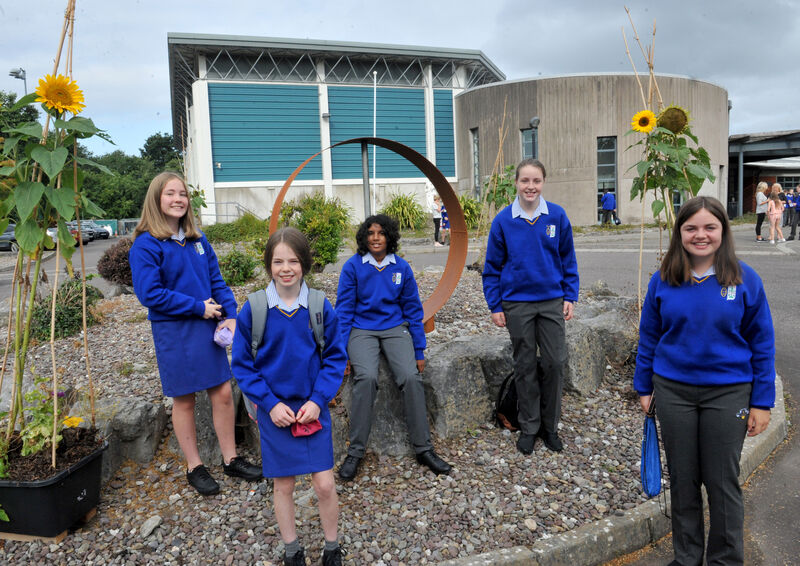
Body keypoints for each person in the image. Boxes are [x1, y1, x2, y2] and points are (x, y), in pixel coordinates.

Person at [634, 196, 775, 566]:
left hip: (728, 394)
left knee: (721, 482)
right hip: (673, 392)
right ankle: (687, 558)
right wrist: (644, 388)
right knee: (683, 480)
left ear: (722, 232)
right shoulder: (663, 281)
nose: (701, 235)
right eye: (691, 228)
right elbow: (648, 337)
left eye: (710, 227)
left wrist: (763, 402)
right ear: (680, 233)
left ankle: (726, 559)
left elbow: (762, 344)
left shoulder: (745, 280)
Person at [129, 172, 261, 496]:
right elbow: (150, 294)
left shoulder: (198, 240)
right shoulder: (146, 245)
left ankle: (231, 459)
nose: (178, 199)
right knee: (184, 400)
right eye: (170, 193)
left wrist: (230, 316)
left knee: (223, 393)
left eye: (183, 194)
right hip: (174, 332)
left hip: (206, 326)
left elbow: (217, 282)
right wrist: (197, 307)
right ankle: (194, 465)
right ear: (156, 200)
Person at [231, 227, 347, 566]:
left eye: (293, 261)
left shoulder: (319, 305)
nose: (286, 268)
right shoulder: (253, 309)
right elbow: (243, 366)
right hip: (275, 412)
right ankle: (292, 549)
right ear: (269, 265)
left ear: (305, 264)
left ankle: (331, 546)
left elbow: (335, 358)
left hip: (313, 408)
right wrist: (270, 405)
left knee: (325, 484)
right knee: (283, 486)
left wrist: (318, 400)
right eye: (278, 261)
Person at [335, 214, 452, 481]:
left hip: (394, 328)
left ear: (390, 237)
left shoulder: (401, 268)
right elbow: (343, 312)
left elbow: (413, 310)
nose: (376, 238)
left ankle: (423, 448)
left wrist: (419, 350)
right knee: (366, 378)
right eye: (371, 233)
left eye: (381, 233)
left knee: (411, 377)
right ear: (364, 237)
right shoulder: (353, 267)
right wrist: (341, 353)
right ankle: (356, 452)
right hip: (361, 329)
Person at [482, 158, 579, 455]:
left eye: (536, 181)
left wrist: (570, 295)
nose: (530, 186)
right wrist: (495, 304)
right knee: (524, 365)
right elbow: (492, 268)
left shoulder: (557, 217)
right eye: (525, 180)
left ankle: (550, 427)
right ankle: (530, 426)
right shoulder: (503, 221)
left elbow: (568, 259)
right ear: (516, 183)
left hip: (551, 301)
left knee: (554, 362)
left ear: (543, 183)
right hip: (517, 304)